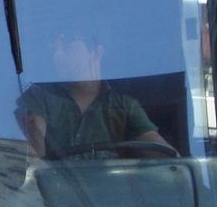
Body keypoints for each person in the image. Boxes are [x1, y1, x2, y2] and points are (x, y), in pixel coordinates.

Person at [15, 30, 172, 159]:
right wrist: (34, 138)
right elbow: (33, 156)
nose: (57, 55)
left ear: (96, 52)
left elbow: (163, 155)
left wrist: (178, 168)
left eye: (66, 46)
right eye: (55, 49)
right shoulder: (38, 98)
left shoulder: (124, 107)